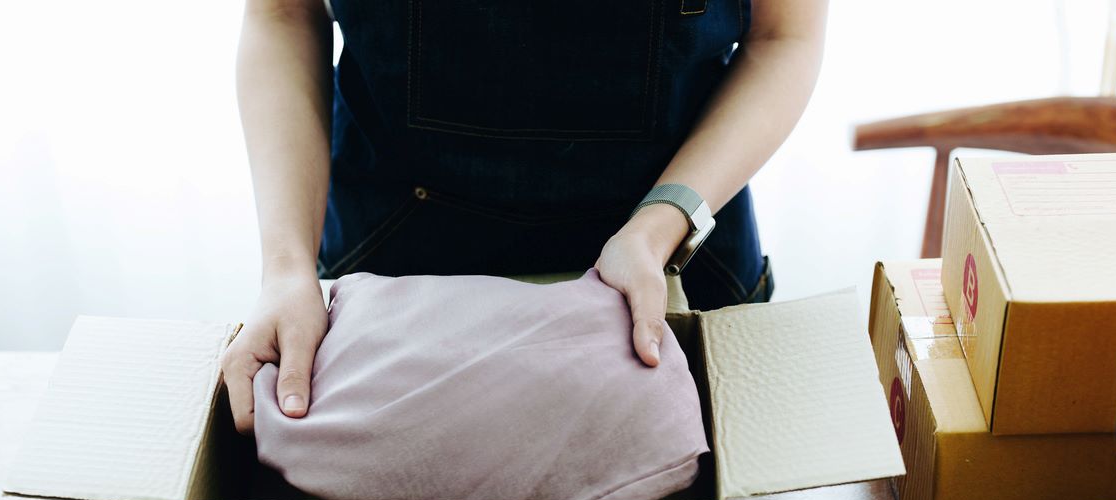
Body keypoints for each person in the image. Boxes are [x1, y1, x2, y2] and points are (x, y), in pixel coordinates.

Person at [223, 0, 828, 433]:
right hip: (391, 250)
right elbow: (284, 15)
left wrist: (657, 226)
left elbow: (784, 36)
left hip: (673, 258)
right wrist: (285, 270)